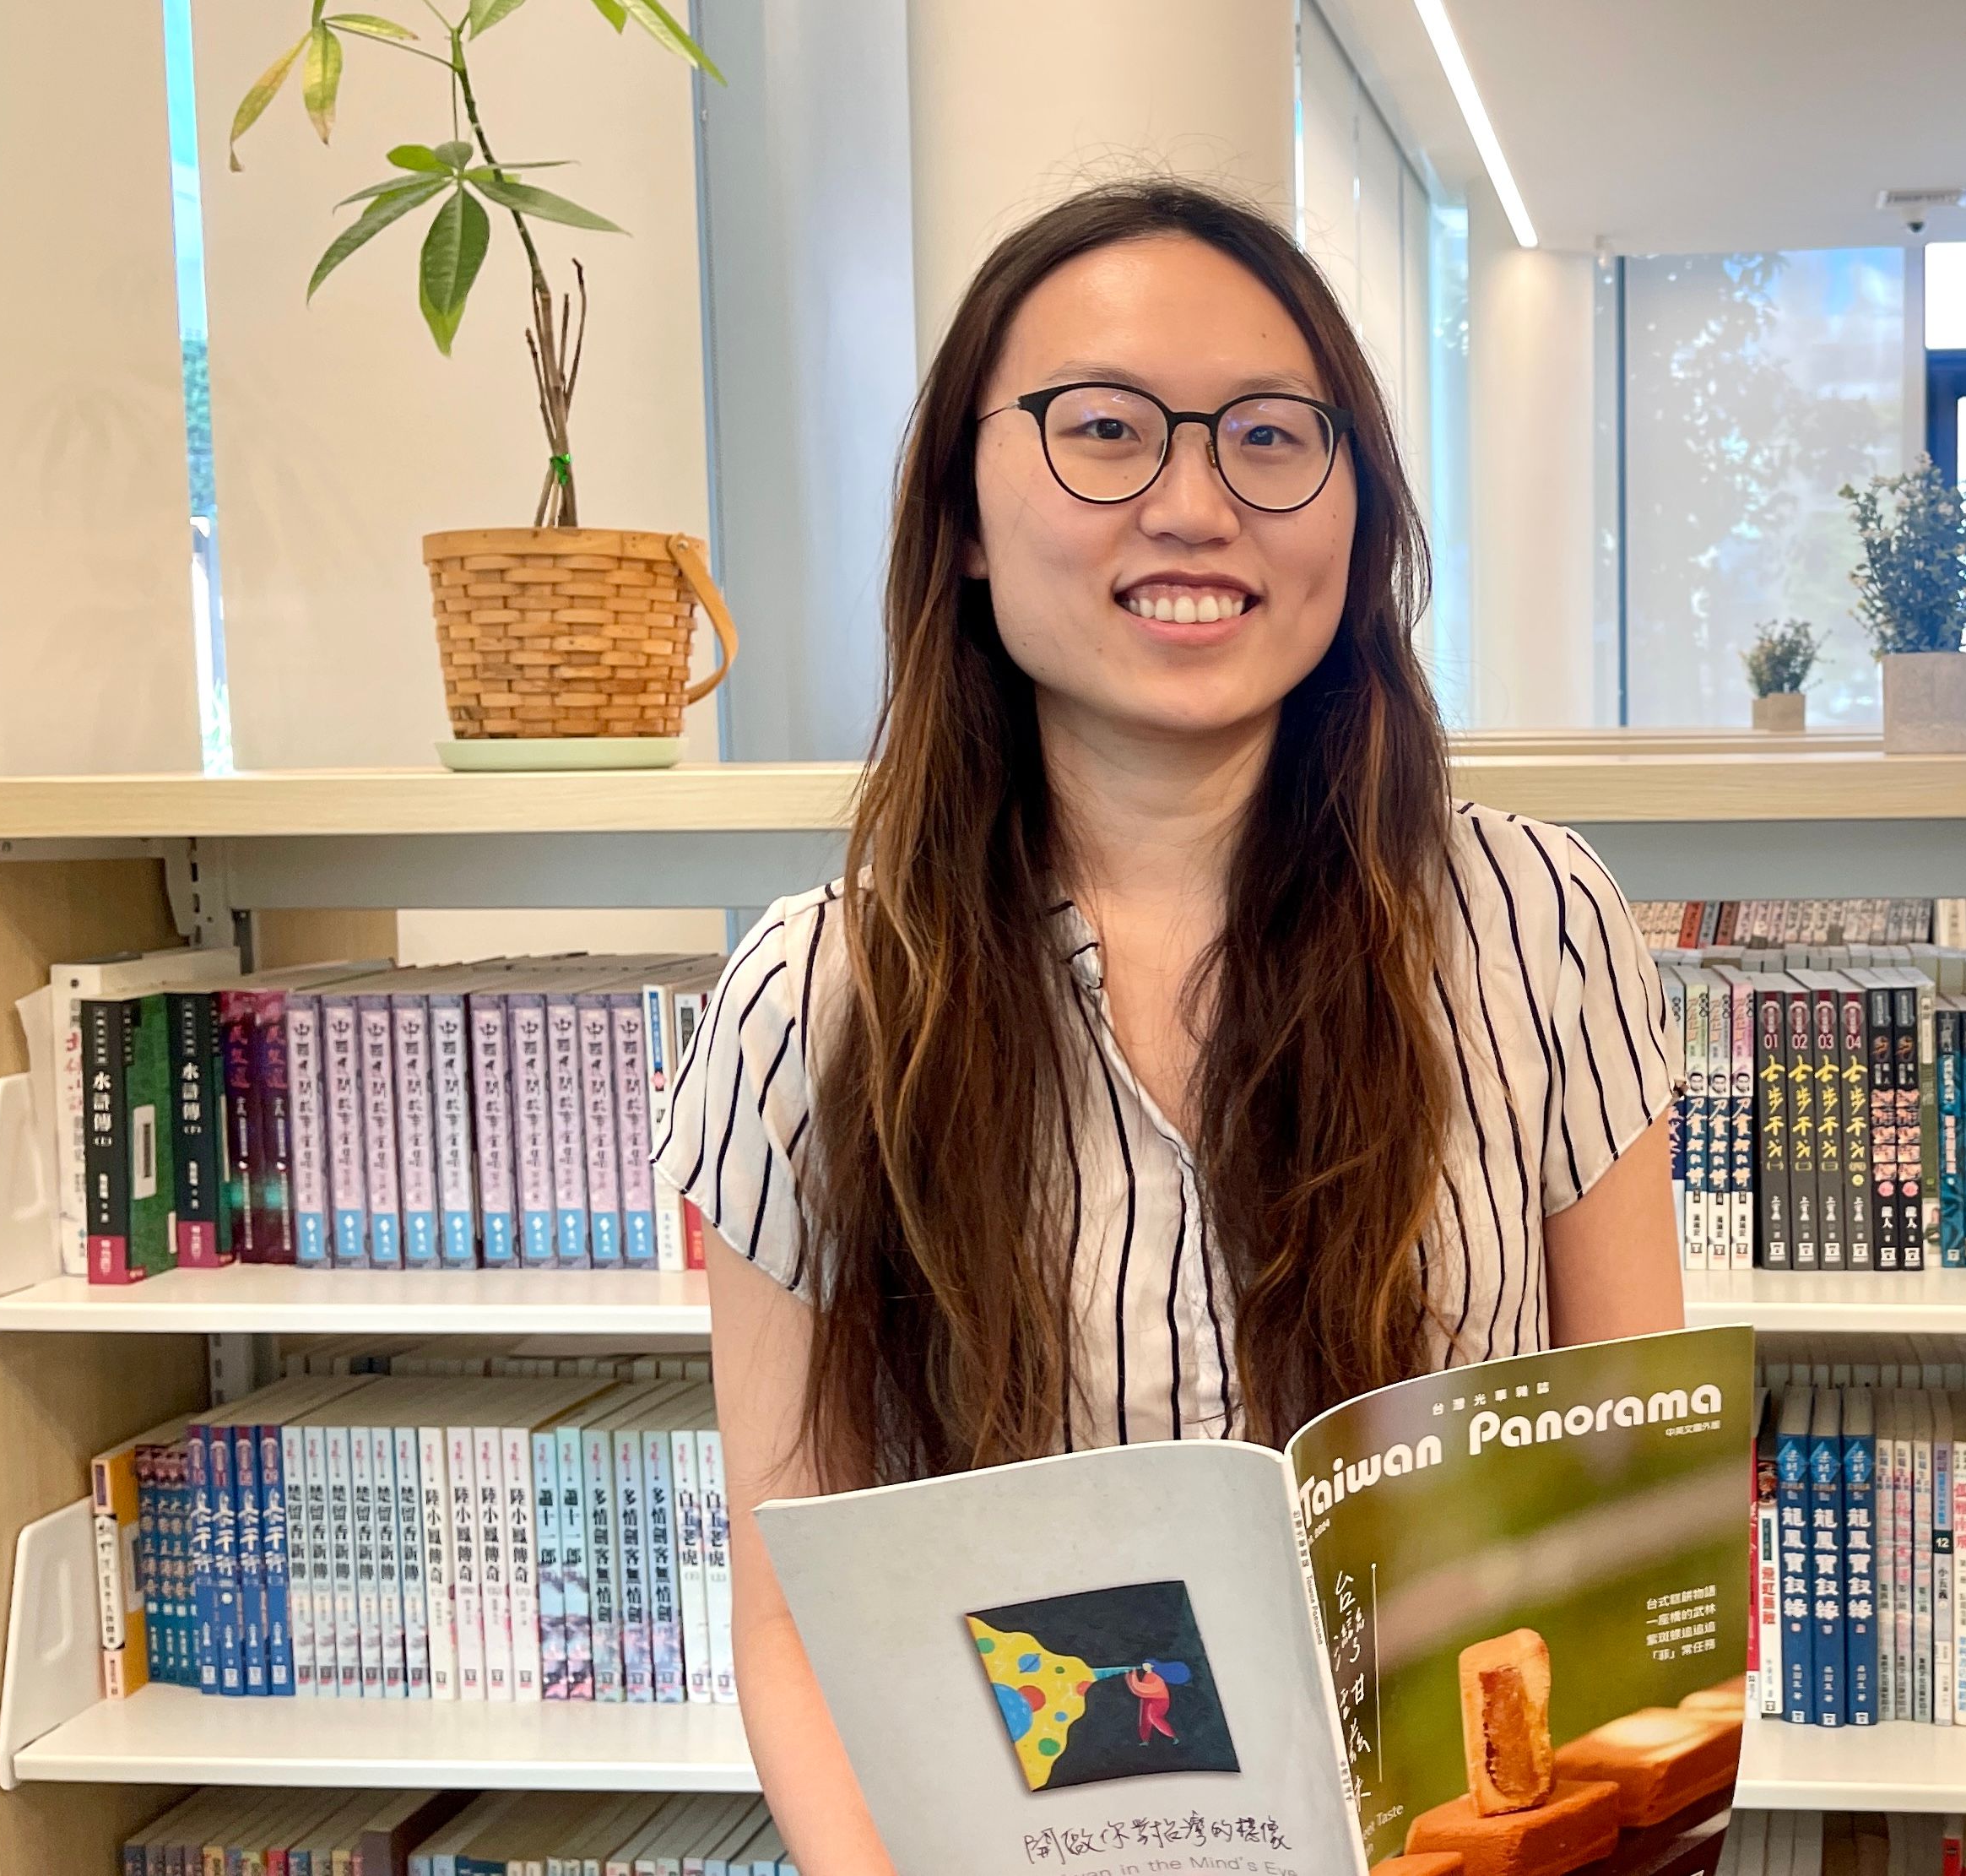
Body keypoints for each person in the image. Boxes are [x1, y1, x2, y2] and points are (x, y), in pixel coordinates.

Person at [658, 179, 1684, 1874]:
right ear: (964, 513)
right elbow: (790, 1622)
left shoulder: (1539, 927)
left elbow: (1630, 1524)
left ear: (1355, 510)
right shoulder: (814, 1003)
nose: (1197, 505)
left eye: (1274, 438)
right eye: (1106, 430)